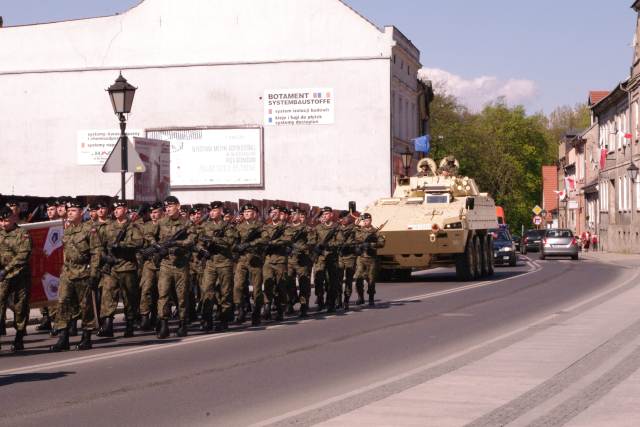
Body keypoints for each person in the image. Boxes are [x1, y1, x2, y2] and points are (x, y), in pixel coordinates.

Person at [50, 199, 102, 351]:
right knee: (63, 303)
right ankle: (63, 338)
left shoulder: (90, 229)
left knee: (85, 306)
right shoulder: (68, 230)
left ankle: (86, 337)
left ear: (81, 213)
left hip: (83, 272)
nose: (70, 213)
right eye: (69, 211)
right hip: (68, 272)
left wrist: (94, 274)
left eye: (73, 211)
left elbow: (96, 253)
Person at [148, 196, 197, 339]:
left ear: (178, 206)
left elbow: (192, 239)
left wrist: (177, 244)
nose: (168, 209)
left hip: (181, 264)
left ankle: (182, 323)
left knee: (181, 296)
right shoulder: (161, 222)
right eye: (166, 207)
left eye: (170, 206)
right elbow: (149, 234)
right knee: (163, 294)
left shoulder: (187, 223)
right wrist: (157, 246)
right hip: (166, 264)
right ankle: (164, 324)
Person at [96, 201, 144, 338]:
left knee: (129, 297)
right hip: (112, 267)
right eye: (115, 208)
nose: (116, 211)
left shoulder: (132, 226)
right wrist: (105, 257)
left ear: (125, 209)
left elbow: (139, 242)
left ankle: (130, 324)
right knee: (108, 294)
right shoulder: (108, 226)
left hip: (127, 266)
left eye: (119, 208)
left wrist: (122, 245)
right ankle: (107, 325)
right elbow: (99, 244)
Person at [197, 201, 238, 332]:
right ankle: (207, 319)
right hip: (210, 262)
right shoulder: (205, 225)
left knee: (225, 292)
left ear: (221, 211)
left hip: (224, 262)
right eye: (210, 211)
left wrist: (214, 240)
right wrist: (202, 249)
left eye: (215, 210)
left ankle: (224, 319)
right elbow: (198, 240)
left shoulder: (228, 226)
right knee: (207, 290)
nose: (212, 213)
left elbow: (231, 241)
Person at [0, 207, 32, 351]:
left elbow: (23, 256)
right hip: (3, 277)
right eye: (1, 221)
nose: (3, 224)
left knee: (20, 307)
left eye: (6, 220)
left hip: (19, 276)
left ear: (13, 218)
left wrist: (6, 269)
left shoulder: (22, 234)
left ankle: (19, 336)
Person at [232, 203, 266, 326]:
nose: (246, 214)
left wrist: (250, 244)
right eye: (245, 212)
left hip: (255, 259)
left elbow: (265, 239)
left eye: (249, 212)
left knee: (257, 288)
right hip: (242, 259)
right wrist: (236, 247)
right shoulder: (239, 226)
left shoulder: (260, 226)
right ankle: (241, 310)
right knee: (238, 286)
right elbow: (233, 240)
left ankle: (256, 313)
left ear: (255, 214)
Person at [261, 205, 291, 321]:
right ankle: (267, 307)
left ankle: (280, 310)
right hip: (268, 260)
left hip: (280, 260)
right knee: (268, 284)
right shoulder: (265, 227)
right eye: (272, 212)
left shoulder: (285, 227)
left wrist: (274, 242)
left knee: (280, 286)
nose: (273, 214)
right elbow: (263, 239)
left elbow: (288, 239)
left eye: (276, 212)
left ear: (280, 214)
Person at [309, 207, 340, 313]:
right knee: (318, 280)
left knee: (332, 282)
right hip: (320, 258)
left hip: (332, 257)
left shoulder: (336, 227)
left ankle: (331, 303)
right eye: (323, 214)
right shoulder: (318, 227)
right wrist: (316, 246)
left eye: (327, 214)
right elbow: (311, 240)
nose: (324, 216)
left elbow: (340, 241)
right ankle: (320, 301)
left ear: (331, 215)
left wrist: (328, 245)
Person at [138, 201, 163, 331]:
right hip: (149, 263)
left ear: (161, 213)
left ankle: (158, 317)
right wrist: (143, 251)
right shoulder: (144, 226)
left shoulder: (165, 225)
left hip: (163, 263)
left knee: (160, 292)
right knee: (146, 289)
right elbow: (138, 243)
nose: (153, 215)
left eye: (155, 212)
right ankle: (144, 316)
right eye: (151, 212)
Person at [285, 207, 312, 317]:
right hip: (289, 260)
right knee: (288, 282)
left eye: (294, 214)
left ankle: (303, 306)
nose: (292, 216)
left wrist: (301, 248)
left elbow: (312, 242)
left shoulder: (306, 229)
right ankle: (290, 302)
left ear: (299, 215)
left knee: (303, 284)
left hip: (302, 260)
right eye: (290, 214)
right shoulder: (286, 228)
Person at [353, 213, 385, 307]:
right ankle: (360, 297)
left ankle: (371, 298)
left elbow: (382, 243)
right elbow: (353, 239)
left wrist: (371, 245)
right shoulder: (359, 230)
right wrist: (358, 246)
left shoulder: (376, 232)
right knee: (358, 277)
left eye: (367, 220)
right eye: (364, 220)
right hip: (361, 258)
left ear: (371, 220)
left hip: (371, 258)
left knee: (371, 279)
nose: (365, 222)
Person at [337, 211, 358, 311]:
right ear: (340, 219)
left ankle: (346, 300)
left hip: (350, 256)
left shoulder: (354, 228)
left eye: (348, 217)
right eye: (345, 218)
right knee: (338, 279)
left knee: (349, 280)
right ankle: (338, 300)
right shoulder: (336, 229)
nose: (347, 219)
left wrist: (351, 244)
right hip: (340, 256)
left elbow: (359, 239)